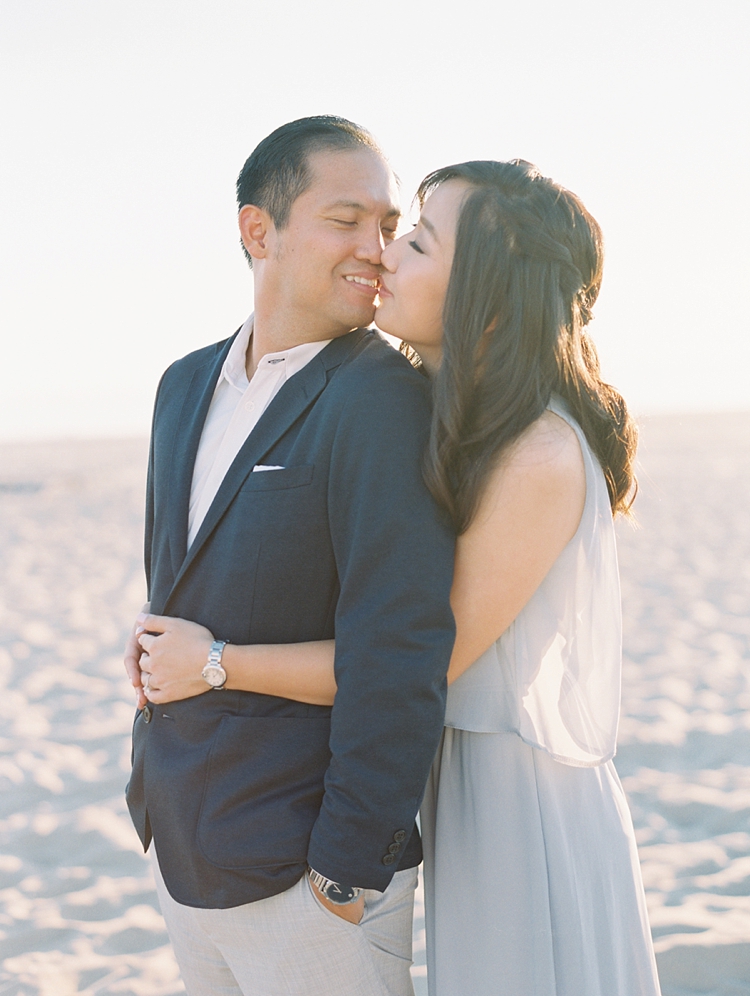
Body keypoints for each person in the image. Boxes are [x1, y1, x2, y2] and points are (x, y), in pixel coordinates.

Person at [134, 159, 663, 995]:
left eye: (413, 240)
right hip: (453, 790)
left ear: (483, 291)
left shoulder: (539, 456)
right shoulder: (453, 417)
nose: (383, 257)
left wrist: (216, 662)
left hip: (521, 810)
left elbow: (411, 662)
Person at [123, 115, 456, 996]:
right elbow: (187, 578)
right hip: (185, 845)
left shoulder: (383, 399)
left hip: (307, 873)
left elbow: (402, 655)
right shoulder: (182, 383)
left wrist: (345, 878)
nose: (377, 250)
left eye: (388, 226)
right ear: (256, 230)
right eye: (346, 221)